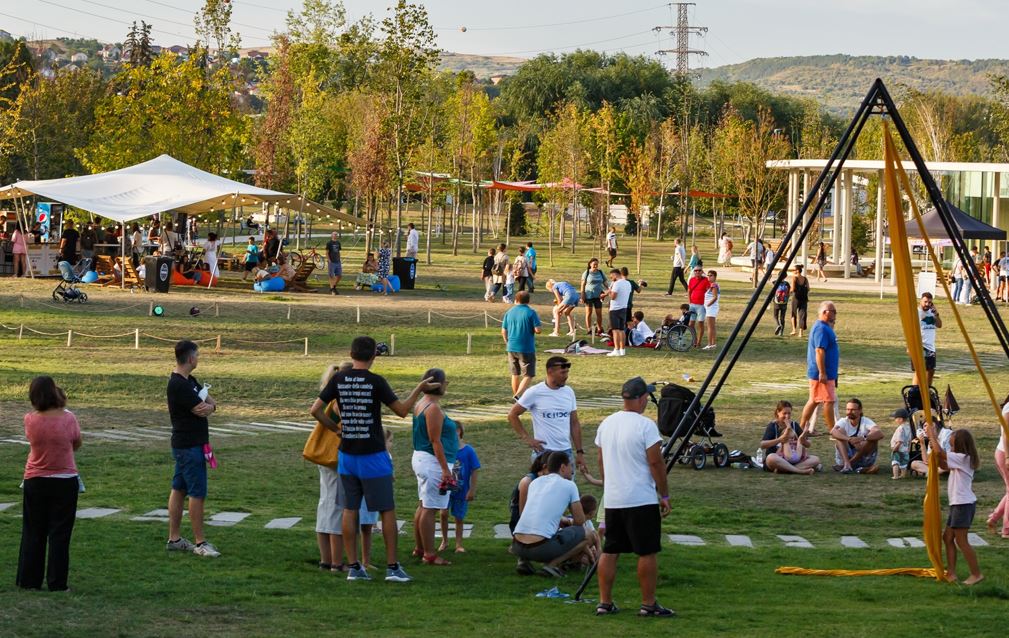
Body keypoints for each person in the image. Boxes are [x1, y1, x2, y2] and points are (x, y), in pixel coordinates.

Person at [309, 335, 436, 582]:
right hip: (373, 456)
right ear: (374, 356)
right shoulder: (376, 381)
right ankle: (392, 567)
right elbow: (401, 411)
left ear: (351, 353)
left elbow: (315, 410)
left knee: (349, 509)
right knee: (386, 510)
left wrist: (336, 429)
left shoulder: (338, 379)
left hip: (346, 455)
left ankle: (355, 568)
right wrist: (419, 388)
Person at [594, 377, 673, 618]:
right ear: (641, 399)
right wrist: (665, 494)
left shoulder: (606, 423)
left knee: (610, 550)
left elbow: (600, 460)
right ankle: (648, 604)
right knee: (647, 551)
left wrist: (610, 484)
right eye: (647, 397)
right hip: (640, 497)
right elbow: (655, 462)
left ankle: (604, 602)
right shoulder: (645, 425)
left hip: (614, 498)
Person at [16, 376, 82, 591]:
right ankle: (57, 582)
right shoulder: (68, 418)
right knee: (60, 534)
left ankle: (29, 580)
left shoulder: (30, 419)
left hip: (35, 478)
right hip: (64, 479)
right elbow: (76, 443)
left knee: (33, 531)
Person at [166, 340, 220, 558]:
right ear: (190, 358)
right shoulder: (178, 384)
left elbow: (211, 403)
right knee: (197, 493)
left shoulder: (191, 381)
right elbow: (201, 409)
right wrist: (209, 407)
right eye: (197, 355)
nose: (198, 358)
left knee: (179, 488)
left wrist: (211, 406)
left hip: (189, 445)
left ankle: (175, 539)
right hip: (189, 446)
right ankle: (200, 542)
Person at [511, 451, 593, 578]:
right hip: (540, 549)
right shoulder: (570, 485)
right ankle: (552, 566)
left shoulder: (535, 483)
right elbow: (579, 521)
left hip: (516, 545)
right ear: (562, 467)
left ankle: (523, 561)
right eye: (570, 465)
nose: (572, 470)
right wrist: (569, 521)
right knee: (588, 534)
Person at [410, 368, 459, 566]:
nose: (447, 385)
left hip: (423, 459)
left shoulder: (421, 404)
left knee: (423, 504)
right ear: (436, 384)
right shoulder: (433, 409)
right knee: (430, 508)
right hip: (433, 462)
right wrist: (446, 470)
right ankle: (429, 554)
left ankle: (420, 547)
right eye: (445, 381)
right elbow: (435, 440)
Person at [508, 355, 586, 473]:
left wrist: (579, 452)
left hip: (566, 453)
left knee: (566, 489)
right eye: (562, 373)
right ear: (550, 372)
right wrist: (527, 438)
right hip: (544, 454)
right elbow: (512, 415)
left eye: (567, 372)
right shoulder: (535, 392)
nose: (566, 376)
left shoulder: (569, 392)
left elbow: (574, 423)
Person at [927, 422, 983, 585]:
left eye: (951, 443)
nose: (949, 445)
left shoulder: (963, 458)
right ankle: (951, 572)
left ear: (959, 445)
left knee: (961, 541)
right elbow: (943, 463)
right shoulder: (959, 459)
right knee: (947, 537)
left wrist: (932, 436)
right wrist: (933, 454)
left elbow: (940, 452)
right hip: (958, 504)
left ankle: (976, 574)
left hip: (963, 505)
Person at [315, 362, 352, 573]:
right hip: (335, 459)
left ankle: (326, 559)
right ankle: (336, 562)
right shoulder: (340, 402)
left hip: (326, 460)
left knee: (326, 507)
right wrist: (338, 431)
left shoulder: (330, 399)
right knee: (337, 510)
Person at [799, 301, 839, 436]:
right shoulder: (821, 329)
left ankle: (802, 428)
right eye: (833, 311)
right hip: (822, 373)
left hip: (825, 372)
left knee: (814, 400)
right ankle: (833, 431)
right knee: (829, 401)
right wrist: (822, 372)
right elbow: (819, 351)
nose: (835, 314)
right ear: (824, 312)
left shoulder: (825, 327)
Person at [439, 422, 480, 554]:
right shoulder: (445, 449)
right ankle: (444, 541)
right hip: (446, 489)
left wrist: (472, 489)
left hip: (462, 490)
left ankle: (458, 544)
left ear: (459, 431)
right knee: (443, 513)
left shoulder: (468, 451)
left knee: (459, 517)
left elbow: (475, 470)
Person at [759, 400, 820, 474]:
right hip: (778, 459)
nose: (787, 416)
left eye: (789, 413)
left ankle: (785, 469)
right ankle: (799, 470)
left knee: (815, 459)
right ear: (778, 412)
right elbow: (762, 445)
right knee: (770, 458)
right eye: (784, 413)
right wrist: (780, 440)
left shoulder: (794, 425)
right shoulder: (772, 426)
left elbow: (808, 444)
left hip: (795, 458)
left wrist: (803, 440)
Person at [501, 290, 542, 400]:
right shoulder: (531, 312)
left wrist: (507, 342)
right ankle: (518, 396)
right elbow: (538, 330)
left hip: (511, 346)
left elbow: (503, 330)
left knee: (515, 373)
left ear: (516, 300)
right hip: (526, 347)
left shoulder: (509, 312)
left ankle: (517, 398)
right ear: (528, 301)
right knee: (528, 374)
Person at [830, 398, 882, 474]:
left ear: (860, 410)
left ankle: (848, 465)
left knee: (872, 439)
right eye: (848, 409)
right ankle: (851, 465)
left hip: (863, 456)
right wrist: (850, 439)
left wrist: (862, 438)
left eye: (853, 410)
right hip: (846, 455)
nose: (849, 412)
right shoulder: (843, 421)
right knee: (839, 432)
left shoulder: (866, 421)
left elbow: (879, 433)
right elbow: (833, 432)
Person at [985, 402, 1009, 539]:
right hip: (1005, 453)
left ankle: (993, 519)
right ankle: (1007, 529)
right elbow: (1006, 434)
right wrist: (1007, 456)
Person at [913, 292, 942, 388]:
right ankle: (914, 392)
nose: (927, 304)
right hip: (920, 345)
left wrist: (936, 314)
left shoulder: (932, 313)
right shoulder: (916, 313)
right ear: (920, 301)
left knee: (931, 370)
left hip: (930, 346)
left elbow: (939, 325)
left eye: (929, 302)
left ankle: (927, 390)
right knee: (919, 371)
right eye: (925, 302)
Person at [603, 268, 632, 356]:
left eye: (612, 277)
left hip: (615, 309)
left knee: (615, 330)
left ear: (615, 275)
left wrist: (609, 292)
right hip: (624, 308)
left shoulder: (616, 284)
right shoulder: (628, 283)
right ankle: (622, 350)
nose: (611, 279)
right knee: (622, 330)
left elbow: (613, 297)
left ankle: (616, 349)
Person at [580, 258, 607, 336]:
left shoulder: (601, 272)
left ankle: (599, 329)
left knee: (599, 313)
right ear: (590, 264)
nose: (595, 265)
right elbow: (583, 284)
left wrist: (609, 289)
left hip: (598, 296)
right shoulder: (587, 273)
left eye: (597, 264)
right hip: (588, 296)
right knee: (589, 313)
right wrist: (582, 295)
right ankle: (589, 329)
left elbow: (605, 282)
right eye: (594, 264)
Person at [687, 266, 711, 348]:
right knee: (691, 324)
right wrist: (690, 302)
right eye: (695, 270)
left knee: (700, 323)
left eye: (699, 270)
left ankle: (699, 342)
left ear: (702, 271)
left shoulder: (706, 280)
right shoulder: (692, 280)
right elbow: (689, 291)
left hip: (701, 305)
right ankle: (695, 340)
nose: (697, 272)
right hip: (692, 305)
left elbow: (709, 292)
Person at [889, 407, 913, 480]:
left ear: (900, 419)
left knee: (895, 462)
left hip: (898, 449)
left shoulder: (900, 428)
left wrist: (895, 448)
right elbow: (910, 440)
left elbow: (900, 440)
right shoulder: (909, 428)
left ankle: (895, 475)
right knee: (904, 464)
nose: (895, 419)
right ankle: (903, 475)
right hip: (905, 449)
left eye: (896, 418)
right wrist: (908, 449)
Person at [789, 265, 810, 337]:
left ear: (797, 270)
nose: (793, 271)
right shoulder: (805, 279)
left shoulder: (794, 278)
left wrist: (789, 291)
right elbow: (808, 288)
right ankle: (801, 332)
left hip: (796, 298)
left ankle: (794, 330)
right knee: (802, 315)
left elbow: (793, 289)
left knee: (793, 313)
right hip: (804, 298)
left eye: (794, 270)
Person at [702, 270, 720, 350]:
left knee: (709, 327)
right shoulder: (712, 285)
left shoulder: (714, 285)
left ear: (715, 277)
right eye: (708, 275)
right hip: (711, 308)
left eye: (711, 275)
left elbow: (715, 297)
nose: (709, 277)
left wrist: (708, 304)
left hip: (711, 308)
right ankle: (713, 343)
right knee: (712, 327)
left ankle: (709, 344)